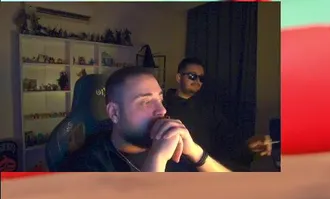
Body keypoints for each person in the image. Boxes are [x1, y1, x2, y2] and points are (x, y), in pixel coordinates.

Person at [60, 66, 231, 173]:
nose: (162, 110)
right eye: (146, 102)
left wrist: (196, 153)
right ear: (114, 113)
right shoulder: (87, 165)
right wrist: (157, 158)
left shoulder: (173, 144)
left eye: (160, 99)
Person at [164, 57, 272, 170]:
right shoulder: (162, 107)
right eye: (192, 76)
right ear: (179, 77)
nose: (197, 81)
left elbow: (227, 138)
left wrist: (248, 145)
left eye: (201, 78)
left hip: (205, 168)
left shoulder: (209, 108)